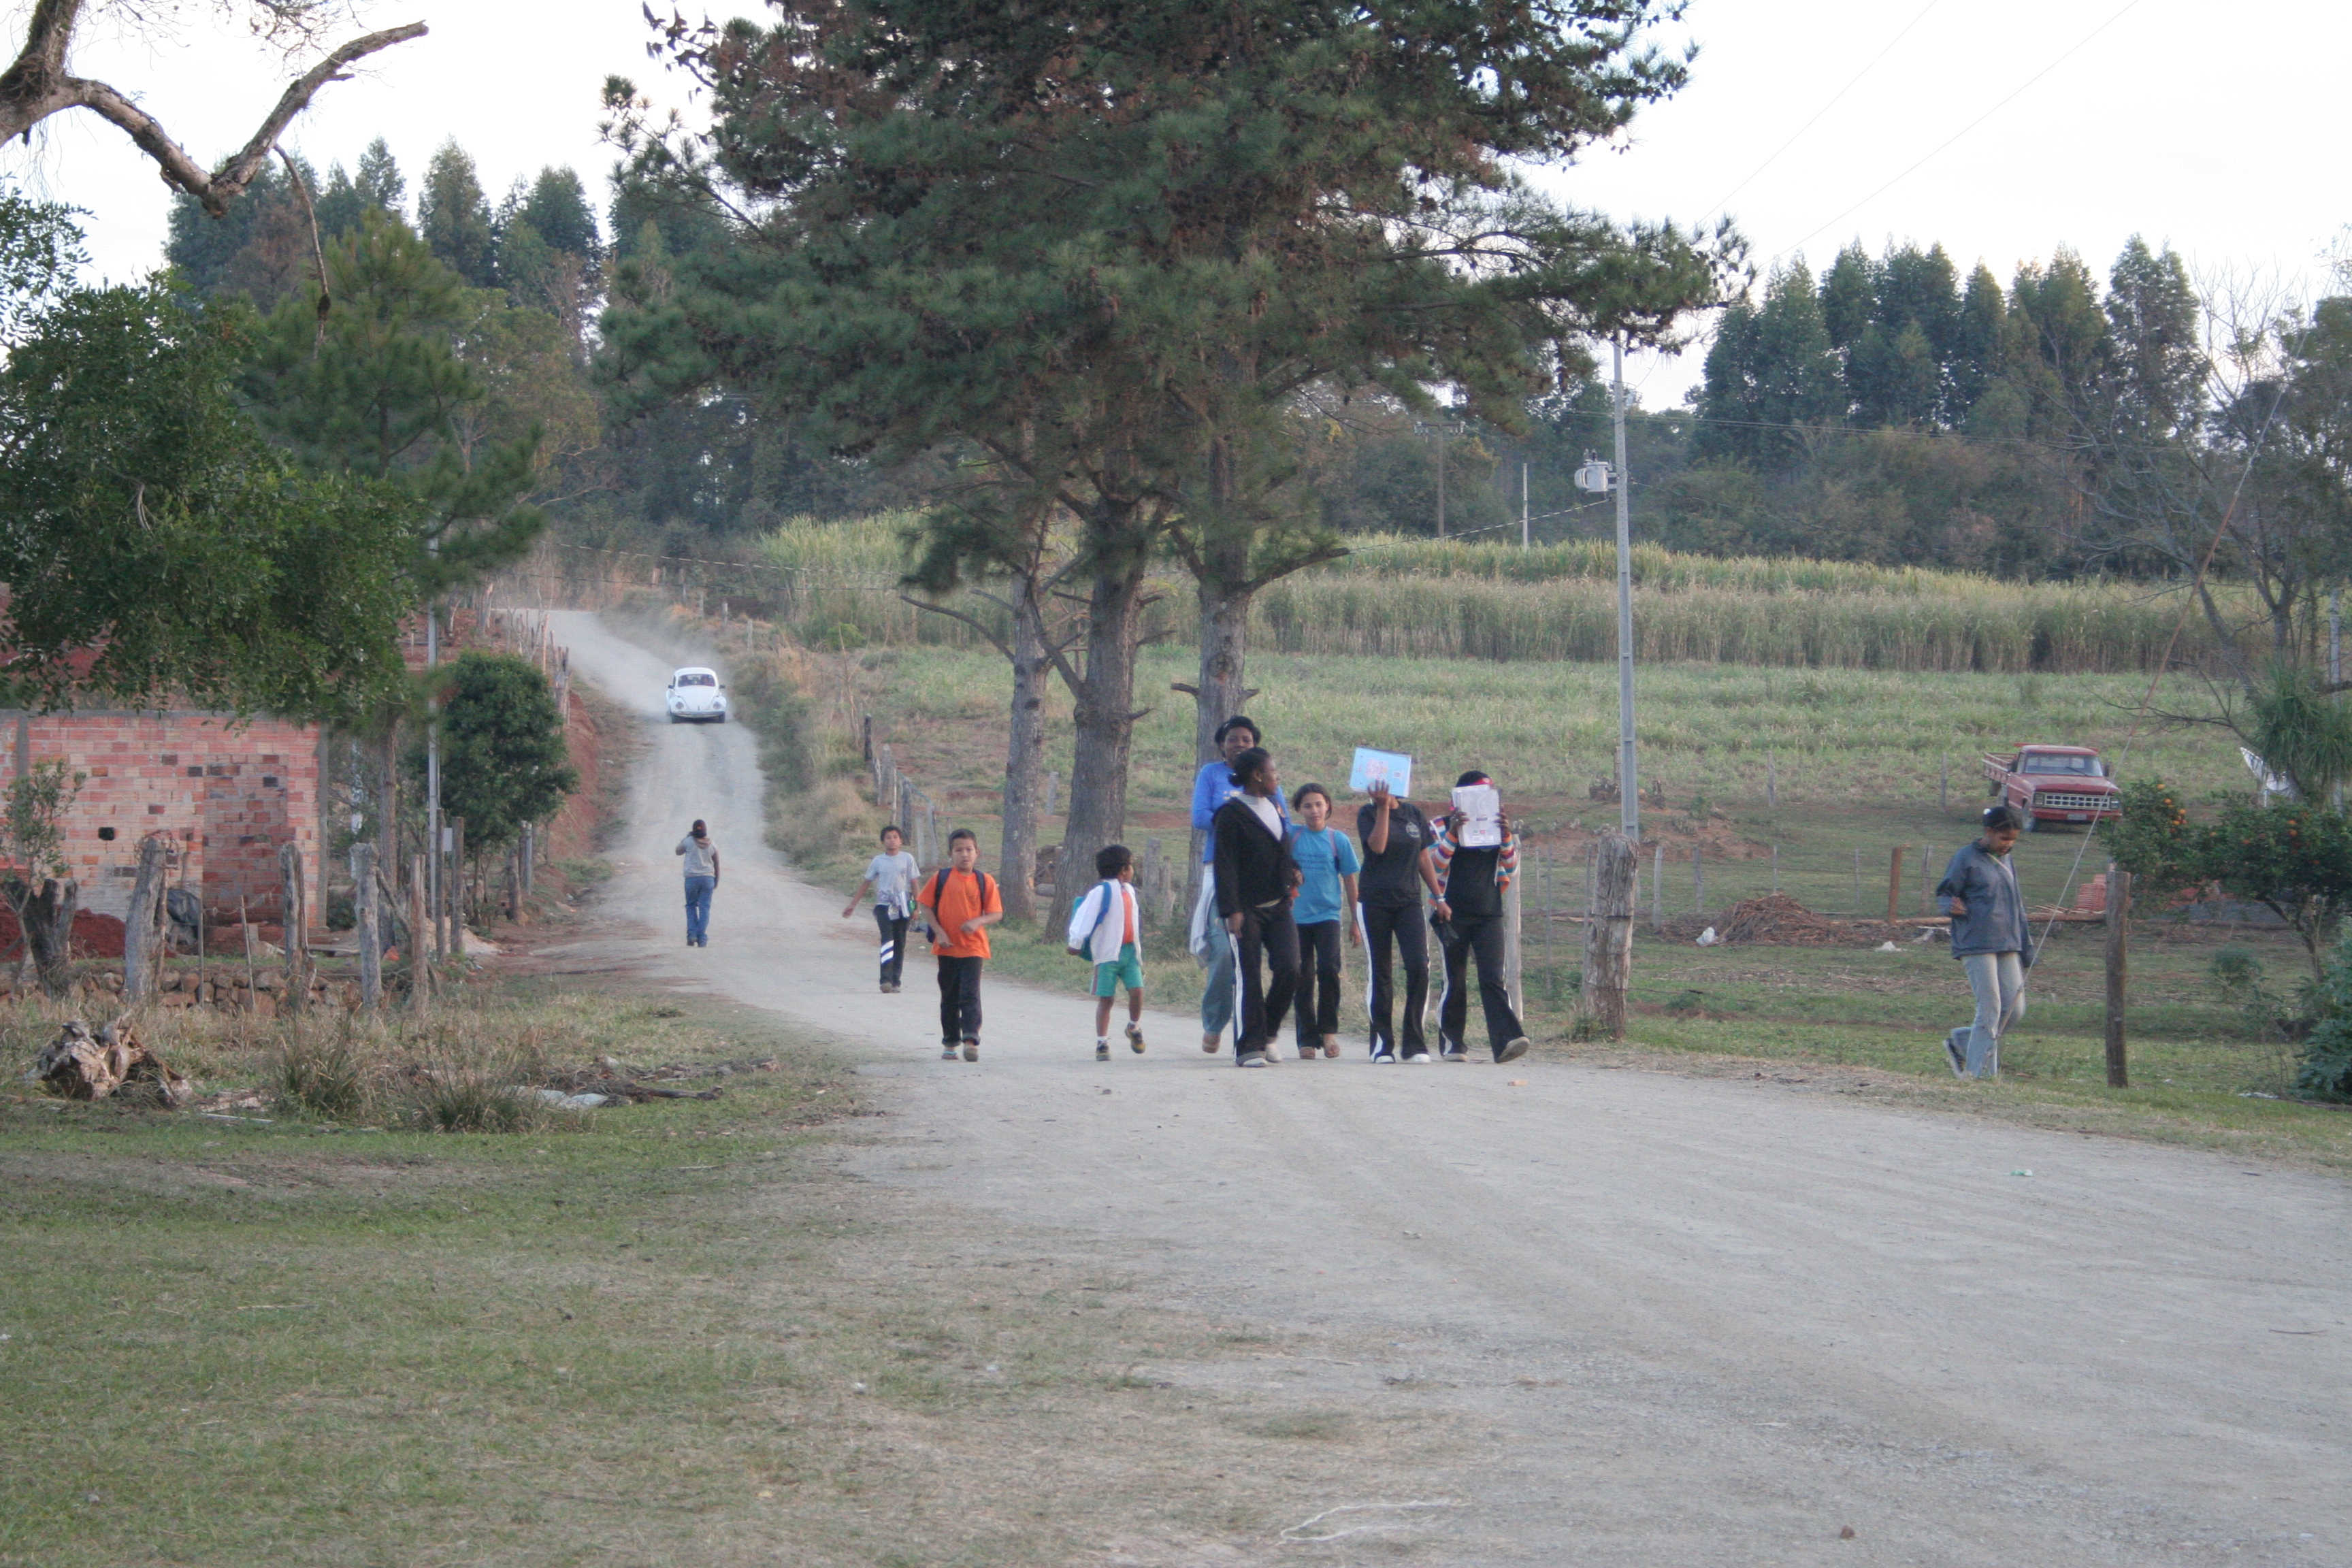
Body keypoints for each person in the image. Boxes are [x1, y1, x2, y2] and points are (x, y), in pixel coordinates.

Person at [1188, 715, 1286, 1053]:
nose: (1239, 744)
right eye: (1233, 739)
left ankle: (1262, 1033)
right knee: (1225, 955)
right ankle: (1216, 1021)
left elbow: (1282, 819)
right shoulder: (1211, 774)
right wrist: (1238, 815)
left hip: (1264, 877)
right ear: (1221, 744)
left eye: (1246, 739)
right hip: (1222, 870)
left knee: (1280, 963)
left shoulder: (1269, 780)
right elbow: (1201, 817)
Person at [1428, 771, 1533, 1065]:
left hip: (1489, 912)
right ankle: (1453, 1043)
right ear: (1458, 799)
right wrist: (1452, 833)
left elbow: (1510, 867)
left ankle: (1506, 1041)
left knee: (1492, 978)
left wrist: (1507, 836)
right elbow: (1434, 866)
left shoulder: (1496, 828)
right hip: (1450, 913)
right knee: (1455, 979)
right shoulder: (1438, 827)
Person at [1211, 747, 1301, 1069]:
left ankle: (1269, 1034)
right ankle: (1249, 1047)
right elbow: (1225, 865)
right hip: (1245, 910)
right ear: (1257, 775)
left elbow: (1280, 847)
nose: (1278, 777)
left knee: (1291, 968)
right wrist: (1231, 909)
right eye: (1273, 771)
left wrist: (1293, 868)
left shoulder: (1274, 806)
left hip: (1279, 906)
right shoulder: (1230, 814)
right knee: (1249, 977)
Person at [1936, 806, 2031, 1079]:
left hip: (2009, 942)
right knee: (1990, 1009)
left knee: (2014, 1010)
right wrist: (1949, 907)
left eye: (2013, 840)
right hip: (1976, 942)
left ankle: (1963, 1040)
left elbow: (2017, 906)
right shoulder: (1965, 858)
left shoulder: (2007, 860)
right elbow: (1945, 893)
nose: (2009, 845)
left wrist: (2027, 947)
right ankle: (1978, 1076)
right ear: (1989, 832)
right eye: (2004, 839)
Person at [1355, 778, 1443, 1062]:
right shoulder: (1366, 813)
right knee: (1381, 972)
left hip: (1409, 901)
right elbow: (1377, 847)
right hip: (1374, 901)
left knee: (1419, 965)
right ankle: (1382, 1044)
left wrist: (1439, 896)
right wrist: (1383, 808)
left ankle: (1414, 1043)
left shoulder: (1415, 814)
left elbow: (1423, 857)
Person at [1286, 783, 1360, 1060]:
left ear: (1328, 806)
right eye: (1307, 805)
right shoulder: (1292, 836)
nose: (1314, 810)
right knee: (1301, 975)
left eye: (1318, 804)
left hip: (1328, 916)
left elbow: (1351, 881)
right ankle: (1306, 1038)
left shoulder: (1337, 840)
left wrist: (1356, 920)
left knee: (1329, 968)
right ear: (1299, 810)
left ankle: (1329, 1032)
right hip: (1295, 919)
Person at [915, 828, 1002, 1062]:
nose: (965, 854)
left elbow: (995, 913)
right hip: (947, 948)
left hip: (974, 947)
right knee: (950, 996)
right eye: (959, 850)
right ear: (950, 854)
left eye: (969, 850)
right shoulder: (941, 878)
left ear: (977, 853)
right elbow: (926, 906)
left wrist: (978, 921)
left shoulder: (985, 881)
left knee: (970, 994)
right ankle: (951, 1042)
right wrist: (939, 932)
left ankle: (971, 1040)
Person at [1066, 844, 1147, 1062]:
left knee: (1137, 991)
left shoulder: (1129, 890)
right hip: (1107, 954)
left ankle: (1133, 1026)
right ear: (1123, 870)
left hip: (1130, 953)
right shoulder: (1101, 891)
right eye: (1131, 866)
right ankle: (1102, 1042)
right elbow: (1085, 917)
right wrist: (1076, 941)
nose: (1132, 870)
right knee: (1106, 999)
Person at [841, 824, 920, 993]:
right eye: (888, 837)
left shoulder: (907, 859)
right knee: (887, 941)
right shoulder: (878, 861)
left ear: (901, 840)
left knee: (900, 943)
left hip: (903, 906)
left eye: (895, 837)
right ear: (883, 841)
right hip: (884, 906)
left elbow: (914, 884)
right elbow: (866, 882)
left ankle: (896, 981)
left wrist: (917, 908)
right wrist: (853, 905)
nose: (892, 840)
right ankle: (885, 980)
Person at [674, 819, 720, 947]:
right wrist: (716, 880)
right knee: (705, 908)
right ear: (705, 831)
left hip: (692, 879)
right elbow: (716, 863)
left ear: (693, 830)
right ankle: (702, 939)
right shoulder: (712, 844)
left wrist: (687, 837)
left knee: (691, 906)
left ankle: (692, 935)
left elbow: (678, 851)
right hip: (708, 879)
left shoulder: (689, 841)